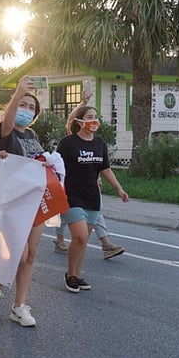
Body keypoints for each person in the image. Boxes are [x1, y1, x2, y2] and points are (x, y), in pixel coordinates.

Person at [0, 76, 49, 327]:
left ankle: (19, 306)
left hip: (35, 200)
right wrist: (18, 92)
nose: (27, 110)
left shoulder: (32, 134)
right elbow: (8, 123)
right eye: (24, 105)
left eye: (32, 108)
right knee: (18, 256)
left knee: (31, 256)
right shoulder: (6, 134)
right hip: (12, 203)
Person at [56, 106, 130, 293]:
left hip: (92, 197)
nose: (94, 121)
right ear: (80, 121)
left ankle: (78, 275)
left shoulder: (99, 144)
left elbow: (105, 168)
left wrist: (119, 189)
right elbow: (56, 168)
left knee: (83, 241)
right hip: (72, 195)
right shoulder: (68, 143)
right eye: (90, 117)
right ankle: (70, 274)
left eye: (96, 117)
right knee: (79, 236)